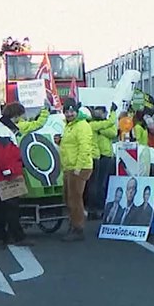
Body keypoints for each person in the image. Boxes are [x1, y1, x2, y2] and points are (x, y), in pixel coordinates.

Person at [0, 102, 31, 246]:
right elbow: (2, 155)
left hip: (2, 174)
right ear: (16, 115)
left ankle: (1, 233)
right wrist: (9, 171)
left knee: (0, 205)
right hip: (7, 174)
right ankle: (16, 236)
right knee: (11, 207)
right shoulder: (4, 132)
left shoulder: (2, 129)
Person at [58, 98, 96, 241]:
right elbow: (71, 145)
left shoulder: (82, 125)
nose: (69, 114)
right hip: (70, 167)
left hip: (78, 167)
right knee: (69, 198)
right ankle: (74, 224)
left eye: (71, 111)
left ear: (76, 111)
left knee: (75, 198)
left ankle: (77, 228)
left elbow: (85, 147)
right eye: (66, 111)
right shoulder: (69, 126)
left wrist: (78, 168)